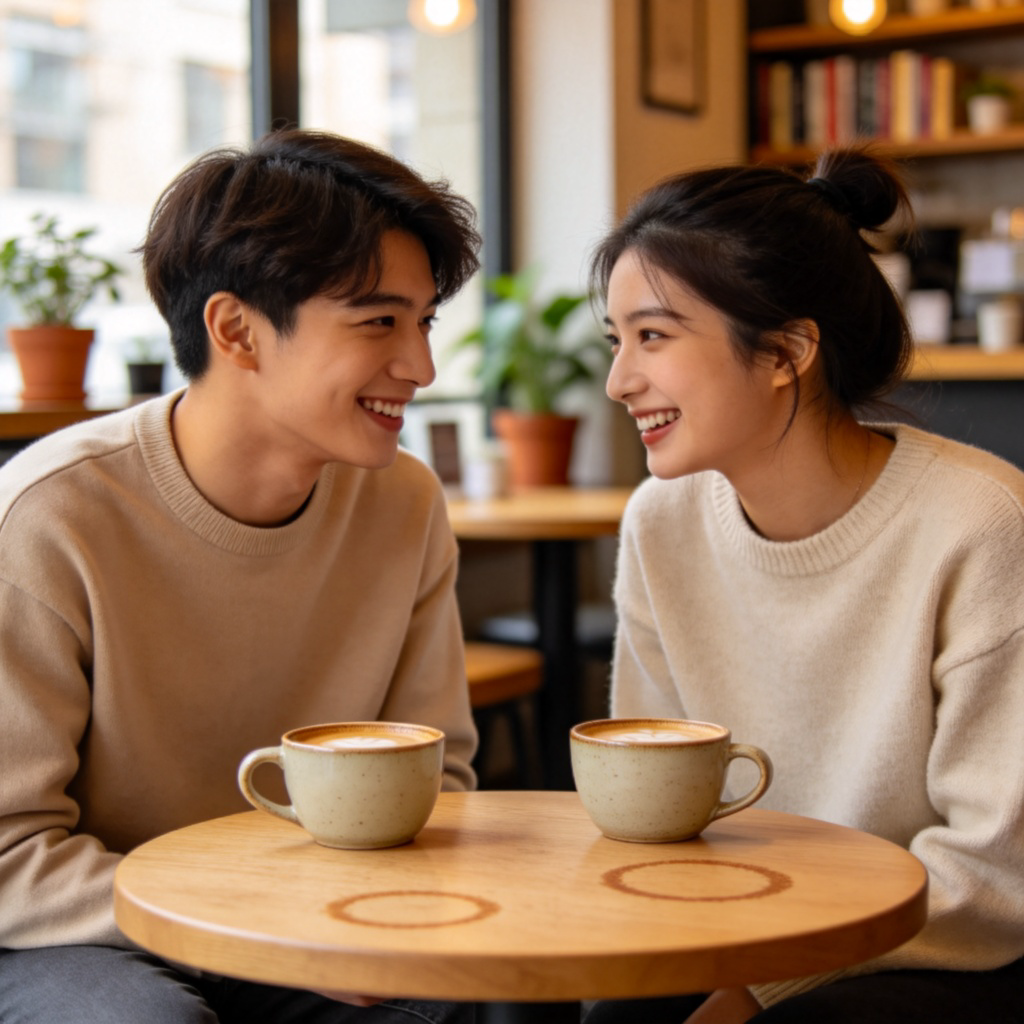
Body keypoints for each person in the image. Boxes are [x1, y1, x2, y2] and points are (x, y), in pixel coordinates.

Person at [0, 129, 482, 1024]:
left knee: (470, 999)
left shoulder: (402, 502)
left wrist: (337, 919)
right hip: (75, 932)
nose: (420, 366)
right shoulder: (49, 516)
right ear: (236, 331)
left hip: (306, 924)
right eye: (380, 321)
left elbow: (437, 779)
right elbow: (6, 858)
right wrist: (249, 918)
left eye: (423, 322)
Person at [584, 145, 1024, 1023]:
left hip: (944, 943)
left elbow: (993, 874)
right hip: (735, 926)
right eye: (616, 339)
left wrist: (762, 990)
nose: (618, 380)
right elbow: (651, 807)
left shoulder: (982, 522)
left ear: (786, 351)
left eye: (654, 337)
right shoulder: (660, 523)